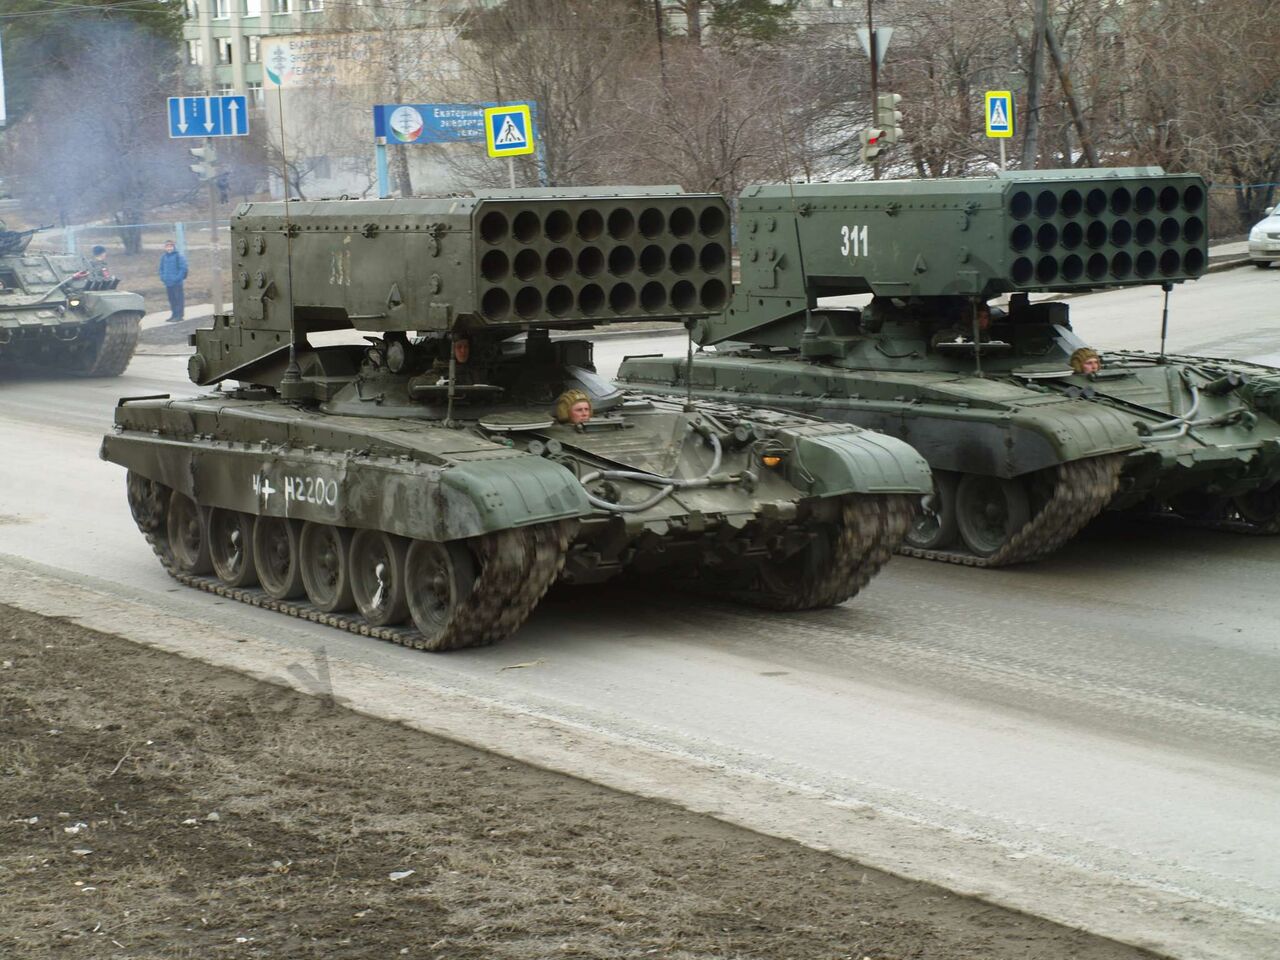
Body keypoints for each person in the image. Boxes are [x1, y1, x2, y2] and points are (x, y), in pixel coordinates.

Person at [158, 239, 188, 323]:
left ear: (173, 247)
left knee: (178, 299)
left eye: (170, 246)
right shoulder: (163, 257)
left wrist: (177, 278)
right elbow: (161, 269)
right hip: (168, 283)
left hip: (177, 283)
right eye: (167, 246)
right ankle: (174, 314)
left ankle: (179, 315)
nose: (169, 248)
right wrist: (163, 277)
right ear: (165, 248)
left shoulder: (178, 256)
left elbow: (183, 268)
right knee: (172, 300)